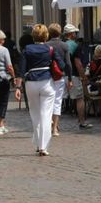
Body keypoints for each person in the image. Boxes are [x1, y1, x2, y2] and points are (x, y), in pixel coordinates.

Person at [19, 24, 57, 157]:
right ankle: (43, 146)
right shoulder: (49, 49)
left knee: (35, 114)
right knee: (46, 115)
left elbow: (22, 70)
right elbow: (62, 65)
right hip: (46, 81)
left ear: (33, 36)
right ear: (46, 35)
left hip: (31, 82)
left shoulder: (26, 49)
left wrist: (18, 87)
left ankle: (37, 143)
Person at [63, 24, 92, 129]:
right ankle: (82, 122)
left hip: (62, 76)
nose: (76, 34)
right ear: (71, 34)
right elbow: (78, 63)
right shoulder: (75, 46)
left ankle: (54, 125)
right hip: (74, 76)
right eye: (75, 32)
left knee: (57, 101)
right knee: (79, 98)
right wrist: (83, 76)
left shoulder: (63, 45)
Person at [47, 23, 72, 138]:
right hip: (59, 76)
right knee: (57, 101)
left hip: (47, 77)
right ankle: (55, 128)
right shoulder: (64, 46)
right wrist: (70, 78)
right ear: (60, 32)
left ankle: (49, 123)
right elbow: (68, 64)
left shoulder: (45, 45)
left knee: (48, 101)